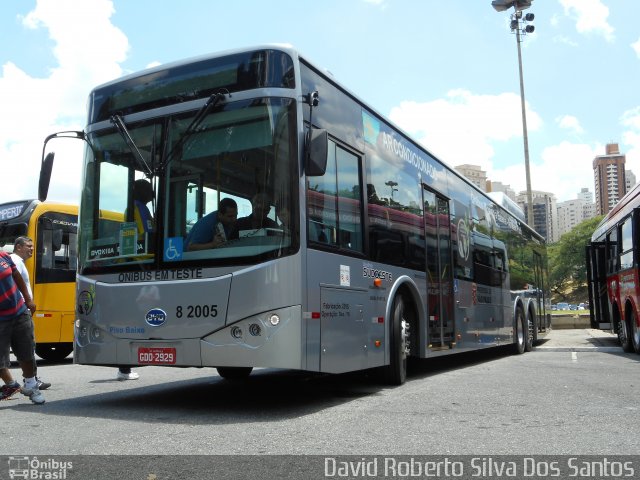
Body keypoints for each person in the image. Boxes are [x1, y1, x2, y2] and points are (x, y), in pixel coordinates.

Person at [6, 237, 51, 391]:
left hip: (19, 309)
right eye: (28, 246)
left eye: (32, 246)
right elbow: (14, 284)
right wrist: (26, 303)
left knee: (26, 347)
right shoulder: (15, 260)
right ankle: (30, 381)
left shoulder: (18, 261)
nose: (32, 249)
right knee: (26, 347)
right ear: (18, 247)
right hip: (18, 312)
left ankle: (29, 380)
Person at [0, 250, 45, 404]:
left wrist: (28, 299)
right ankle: (11, 385)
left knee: (26, 351)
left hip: (19, 312)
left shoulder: (3, 256)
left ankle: (31, 386)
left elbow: (16, 277)